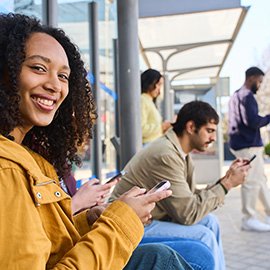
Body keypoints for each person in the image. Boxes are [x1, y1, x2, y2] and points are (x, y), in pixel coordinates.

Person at [0, 13, 192, 270]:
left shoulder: (29, 157)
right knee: (170, 256)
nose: (55, 86)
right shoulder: (8, 169)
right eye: (38, 68)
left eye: (64, 76)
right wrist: (122, 221)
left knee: (171, 254)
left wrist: (90, 220)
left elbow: (47, 241)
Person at [110, 101, 250, 270]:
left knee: (210, 222)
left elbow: (188, 198)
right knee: (203, 236)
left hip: (150, 218)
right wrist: (227, 184)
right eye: (209, 131)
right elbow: (188, 213)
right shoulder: (166, 154)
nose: (213, 138)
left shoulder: (178, 151)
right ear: (191, 127)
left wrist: (226, 179)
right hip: (130, 224)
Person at [228, 66, 270, 232]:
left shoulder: (236, 95)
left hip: (242, 144)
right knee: (252, 181)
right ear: (251, 78)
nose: (259, 85)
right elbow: (252, 121)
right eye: (259, 81)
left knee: (260, 180)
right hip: (248, 145)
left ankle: (267, 213)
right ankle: (249, 218)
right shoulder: (247, 96)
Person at [141, 68, 171, 144]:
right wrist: (162, 127)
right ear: (150, 83)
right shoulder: (143, 100)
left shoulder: (149, 100)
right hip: (148, 146)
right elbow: (141, 129)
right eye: (158, 84)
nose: (159, 88)